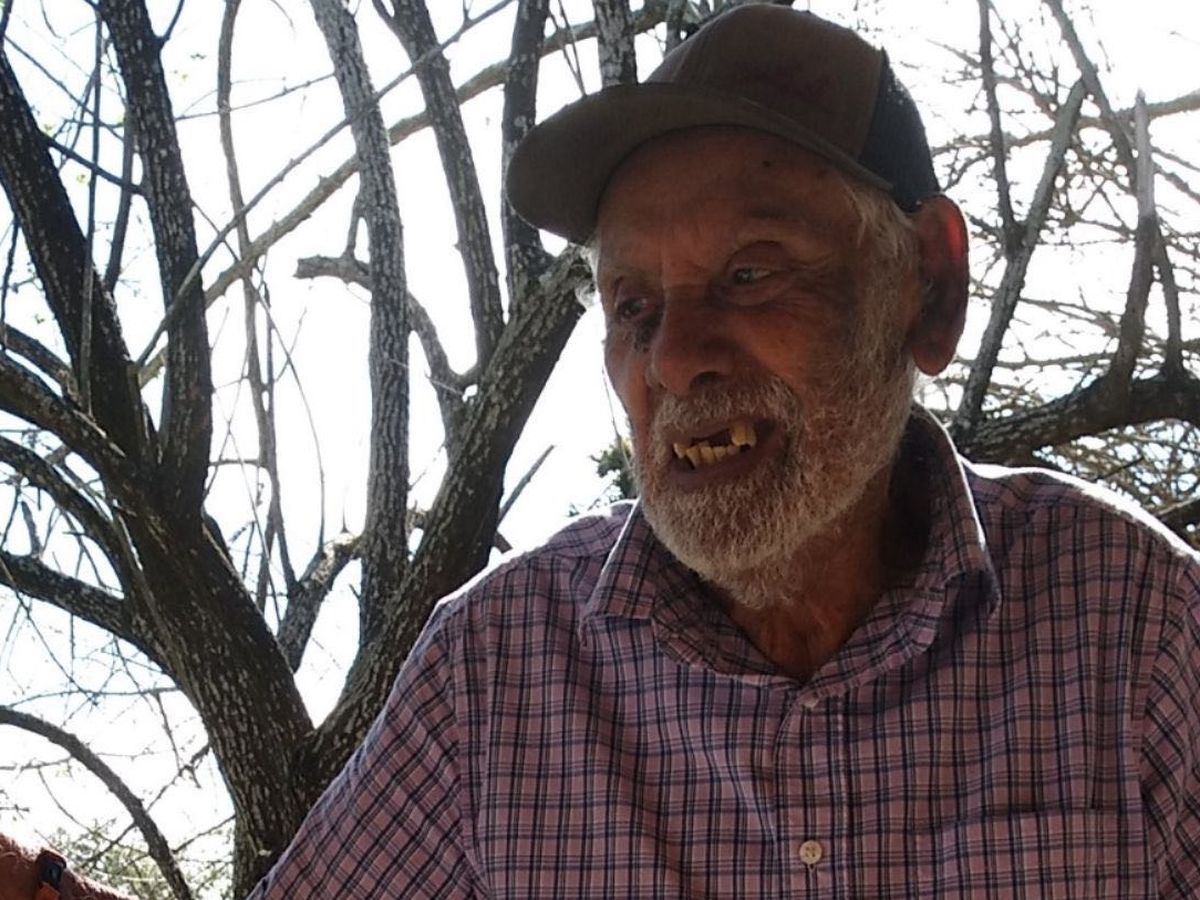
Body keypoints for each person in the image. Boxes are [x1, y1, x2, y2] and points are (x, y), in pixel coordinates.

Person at [4, 5, 1197, 898]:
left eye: (750, 273)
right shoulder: (496, 670)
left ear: (927, 288)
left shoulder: (1139, 629)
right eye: (632, 305)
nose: (674, 359)